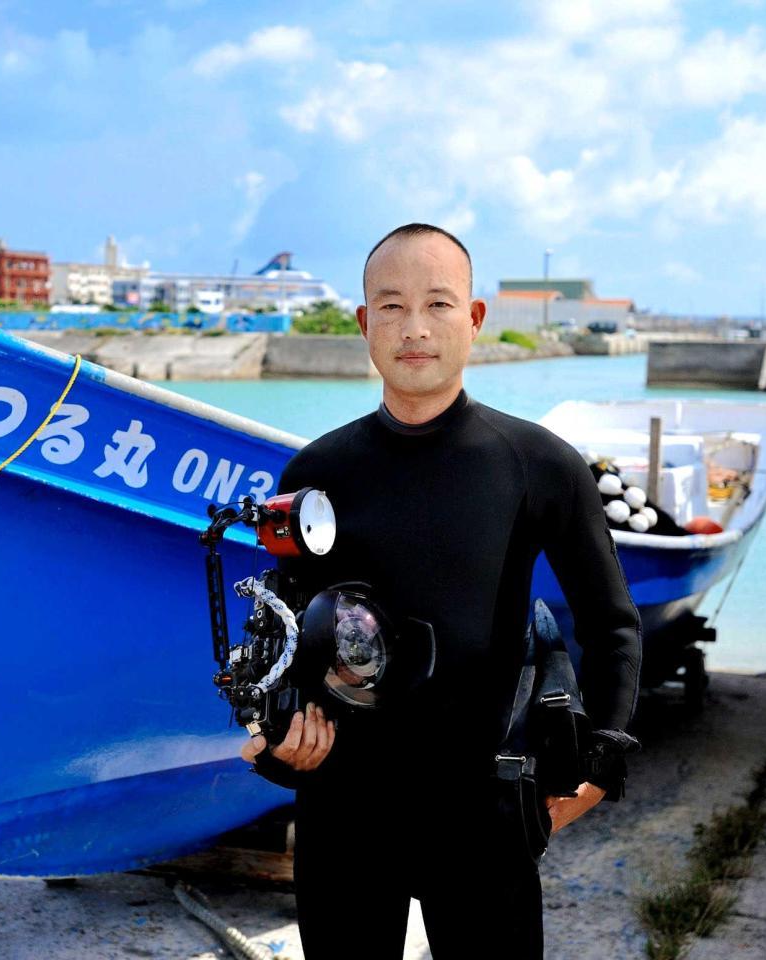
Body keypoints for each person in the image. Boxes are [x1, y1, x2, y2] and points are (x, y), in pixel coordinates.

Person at [240, 223, 643, 958]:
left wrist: (598, 763)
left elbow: (611, 624)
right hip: (343, 804)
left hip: (480, 805)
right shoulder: (315, 471)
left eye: (437, 303)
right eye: (390, 307)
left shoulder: (538, 462)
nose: (414, 328)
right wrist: (278, 744)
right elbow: (288, 637)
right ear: (364, 324)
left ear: (474, 318)